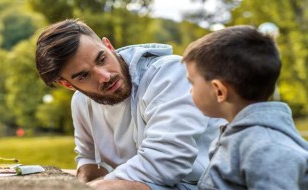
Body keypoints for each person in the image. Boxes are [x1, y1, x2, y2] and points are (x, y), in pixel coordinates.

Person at [35, 19, 225, 190]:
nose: (105, 76)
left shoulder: (169, 73)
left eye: (102, 59)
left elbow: (167, 163)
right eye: (84, 75)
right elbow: (89, 159)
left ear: (108, 46)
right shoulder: (81, 102)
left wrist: (101, 186)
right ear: (68, 84)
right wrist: (87, 182)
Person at [183, 25, 308, 190]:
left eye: (192, 82)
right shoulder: (239, 135)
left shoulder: (267, 148)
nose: (190, 90)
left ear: (219, 90)